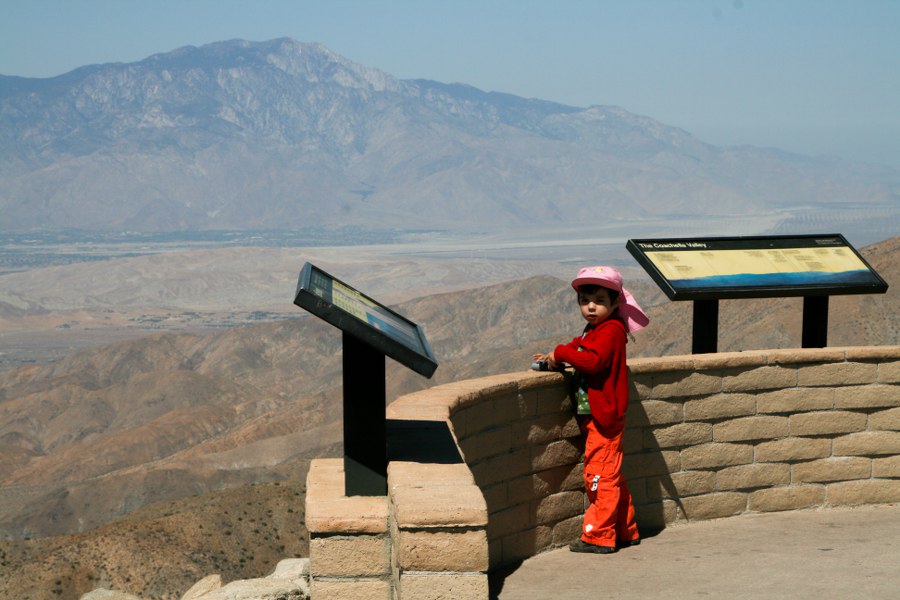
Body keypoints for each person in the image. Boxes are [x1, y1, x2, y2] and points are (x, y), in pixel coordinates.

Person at [532, 265, 649, 554]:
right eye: (585, 302)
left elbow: (592, 361)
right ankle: (625, 530)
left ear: (615, 303)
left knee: (599, 477)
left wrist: (560, 352)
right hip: (598, 416)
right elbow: (580, 347)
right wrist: (554, 358)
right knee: (611, 474)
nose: (591, 307)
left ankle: (598, 536)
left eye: (598, 301)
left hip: (605, 417)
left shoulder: (610, 331)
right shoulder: (595, 330)